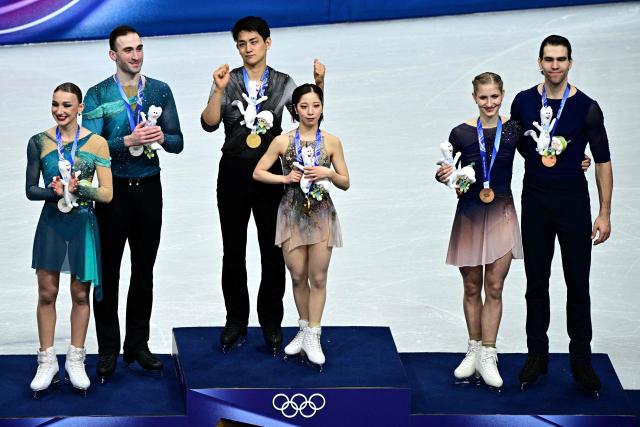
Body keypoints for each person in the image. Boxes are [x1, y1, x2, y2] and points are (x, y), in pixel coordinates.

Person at [201, 16, 325, 353]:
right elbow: (209, 124)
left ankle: (271, 321)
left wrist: (319, 86)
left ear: (267, 43)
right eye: (241, 43)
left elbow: (306, 119)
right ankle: (235, 321)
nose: (247, 49)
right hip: (233, 174)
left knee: (272, 252)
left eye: (253, 41)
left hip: (272, 175)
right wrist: (217, 90)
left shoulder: (283, 82)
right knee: (233, 251)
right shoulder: (228, 81)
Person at [511, 35, 612, 395]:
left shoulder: (587, 107)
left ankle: (581, 361)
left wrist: (604, 212)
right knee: (535, 284)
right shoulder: (523, 102)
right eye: (549, 59)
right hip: (535, 202)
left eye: (561, 59)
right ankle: (537, 355)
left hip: (572, 204)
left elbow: (601, 161)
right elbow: (507, 144)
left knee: (577, 285)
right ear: (539, 62)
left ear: (570, 63)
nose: (555, 65)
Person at [83, 25, 184, 381]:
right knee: (107, 274)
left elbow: (177, 142)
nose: (136, 55)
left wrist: (161, 137)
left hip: (148, 191)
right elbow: (88, 150)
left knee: (144, 270)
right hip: (112, 194)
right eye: (127, 50)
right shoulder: (97, 95)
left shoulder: (159, 90)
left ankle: (137, 343)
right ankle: (108, 349)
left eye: (139, 48)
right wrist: (128, 139)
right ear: (113, 55)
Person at [253, 83, 349, 369]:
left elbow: (345, 181)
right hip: (292, 213)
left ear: (322, 107)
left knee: (317, 277)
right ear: (295, 109)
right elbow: (258, 172)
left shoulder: (331, 142)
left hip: (321, 215)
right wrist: (285, 180)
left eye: (315, 106)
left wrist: (328, 173)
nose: (310, 111)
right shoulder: (283, 141)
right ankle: (304, 327)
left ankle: (313, 333)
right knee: (297, 276)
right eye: (304, 106)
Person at [437, 73, 523, 389]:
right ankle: (473, 347)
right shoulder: (460, 133)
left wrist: (575, 159)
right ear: (474, 97)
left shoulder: (513, 130)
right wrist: (444, 175)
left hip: (501, 212)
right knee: (472, 285)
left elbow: (541, 158)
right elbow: (447, 171)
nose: (489, 103)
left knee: (495, 287)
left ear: (502, 95)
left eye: (495, 97)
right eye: (483, 97)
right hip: (471, 215)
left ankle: (489, 351)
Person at [26, 83, 113, 396]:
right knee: (47, 293)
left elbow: (106, 193)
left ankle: (76, 358)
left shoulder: (97, 143)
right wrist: (53, 191)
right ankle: (46, 359)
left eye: (66, 105)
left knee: (80, 294)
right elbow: (30, 190)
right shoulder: (39, 142)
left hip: (83, 225)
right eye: (55, 104)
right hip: (51, 224)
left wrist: (80, 189)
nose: (60, 111)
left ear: (80, 109)